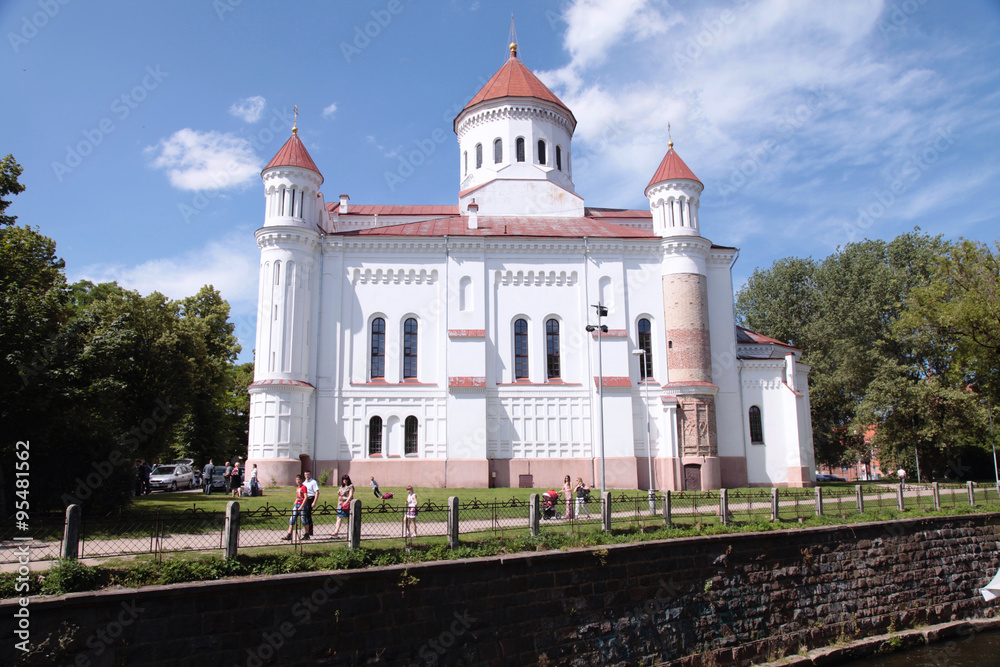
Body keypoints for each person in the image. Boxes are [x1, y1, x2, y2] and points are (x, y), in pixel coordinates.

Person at [282, 475, 309, 540]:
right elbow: (298, 496)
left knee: (303, 519)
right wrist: (296, 501)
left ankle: (307, 534)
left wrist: (302, 506)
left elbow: (305, 497)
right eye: (297, 480)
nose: (298, 481)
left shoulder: (304, 487)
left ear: (301, 480)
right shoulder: (297, 488)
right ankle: (289, 534)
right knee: (292, 519)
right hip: (297, 504)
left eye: (299, 480)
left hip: (303, 505)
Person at [331, 474, 354, 538]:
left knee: (350, 518)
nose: (345, 480)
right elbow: (339, 495)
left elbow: (350, 495)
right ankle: (336, 531)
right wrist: (338, 504)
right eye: (344, 479)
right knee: (339, 517)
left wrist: (346, 502)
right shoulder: (342, 486)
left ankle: (351, 531)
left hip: (348, 503)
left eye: (346, 479)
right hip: (341, 503)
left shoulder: (350, 486)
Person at [302, 470, 320, 537]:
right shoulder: (304, 483)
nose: (307, 476)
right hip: (305, 499)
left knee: (308, 515)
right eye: (306, 474)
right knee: (305, 515)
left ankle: (310, 531)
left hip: (311, 498)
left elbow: (317, 492)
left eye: (308, 474)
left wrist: (314, 502)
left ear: (310, 475)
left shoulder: (313, 482)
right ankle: (307, 531)